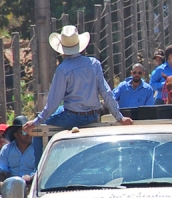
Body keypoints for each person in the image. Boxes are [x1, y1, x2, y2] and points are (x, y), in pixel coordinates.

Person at [24, 26, 132, 159]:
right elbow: (106, 92)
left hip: (72, 116)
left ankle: (39, 171)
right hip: (92, 115)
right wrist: (119, 117)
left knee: (38, 133)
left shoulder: (63, 69)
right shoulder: (94, 64)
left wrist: (36, 121)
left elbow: (53, 102)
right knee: (59, 110)